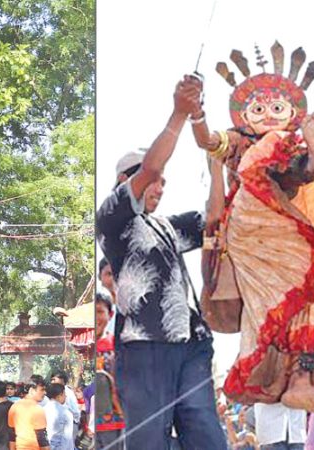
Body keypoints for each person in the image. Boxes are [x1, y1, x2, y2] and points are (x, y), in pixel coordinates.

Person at [185, 42, 314, 414]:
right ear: (244, 114)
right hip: (252, 233)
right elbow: (207, 140)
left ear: (292, 111)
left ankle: (301, 379)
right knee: (293, 292)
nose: (268, 115)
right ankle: (284, 377)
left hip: (291, 235)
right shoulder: (239, 142)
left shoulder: (293, 146)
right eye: (258, 109)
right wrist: (195, 114)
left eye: (277, 108)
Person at [95, 74, 225, 449]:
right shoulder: (113, 217)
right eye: (153, 180)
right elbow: (150, 168)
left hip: (191, 344)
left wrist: (216, 159)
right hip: (142, 347)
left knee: (207, 437)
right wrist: (179, 114)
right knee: (149, 442)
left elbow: (214, 218)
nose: (160, 185)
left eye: (164, 181)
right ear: (124, 181)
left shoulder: (167, 226)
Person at [94, 291, 124, 450]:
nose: (95, 317)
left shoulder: (116, 345)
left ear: (110, 314)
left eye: (99, 312)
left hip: (112, 423)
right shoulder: (82, 346)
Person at [7, 379, 49, 450]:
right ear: (32, 390)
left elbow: (12, 435)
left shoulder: (14, 406)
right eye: (42, 390)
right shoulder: (37, 409)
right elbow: (41, 438)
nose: (45, 393)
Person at [43, 384, 73, 450]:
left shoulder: (42, 410)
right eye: (64, 394)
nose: (66, 396)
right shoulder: (66, 413)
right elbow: (67, 438)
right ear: (60, 395)